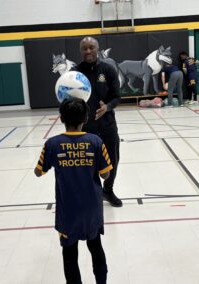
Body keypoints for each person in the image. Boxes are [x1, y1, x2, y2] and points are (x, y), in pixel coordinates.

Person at [34, 98, 111, 284]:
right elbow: (106, 176)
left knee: (69, 255)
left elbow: (38, 172)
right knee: (96, 247)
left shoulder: (52, 144)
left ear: (61, 118)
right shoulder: (96, 141)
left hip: (67, 212)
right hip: (92, 209)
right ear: (86, 117)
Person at [74, 36, 122, 207]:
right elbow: (67, 98)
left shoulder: (108, 70)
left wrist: (107, 107)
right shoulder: (75, 73)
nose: (88, 51)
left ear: (97, 49)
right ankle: (93, 192)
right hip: (85, 128)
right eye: (85, 48)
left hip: (108, 125)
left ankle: (108, 191)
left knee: (112, 161)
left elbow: (117, 97)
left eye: (91, 47)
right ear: (81, 51)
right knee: (88, 164)